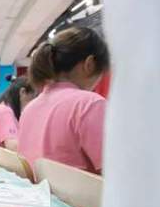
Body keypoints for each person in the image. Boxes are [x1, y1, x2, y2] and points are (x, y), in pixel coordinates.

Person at [18, 26, 109, 174]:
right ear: (90, 64)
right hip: (82, 197)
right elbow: (117, 174)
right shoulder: (90, 104)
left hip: (38, 195)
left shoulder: (30, 109)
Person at [0, 77, 36, 150]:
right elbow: (12, 146)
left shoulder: (2, 108)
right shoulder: (5, 112)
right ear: (23, 92)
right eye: (32, 97)